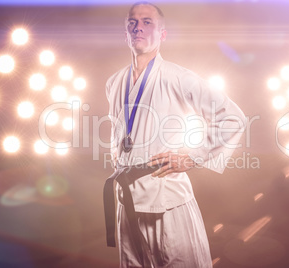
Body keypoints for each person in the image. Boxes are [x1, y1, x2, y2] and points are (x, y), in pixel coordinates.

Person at [105, 1, 246, 267]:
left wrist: (193, 157)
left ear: (163, 34)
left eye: (148, 22)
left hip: (167, 200)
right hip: (126, 203)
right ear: (125, 32)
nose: (139, 28)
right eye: (132, 23)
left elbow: (233, 118)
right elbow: (120, 129)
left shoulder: (179, 78)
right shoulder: (114, 83)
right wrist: (117, 152)